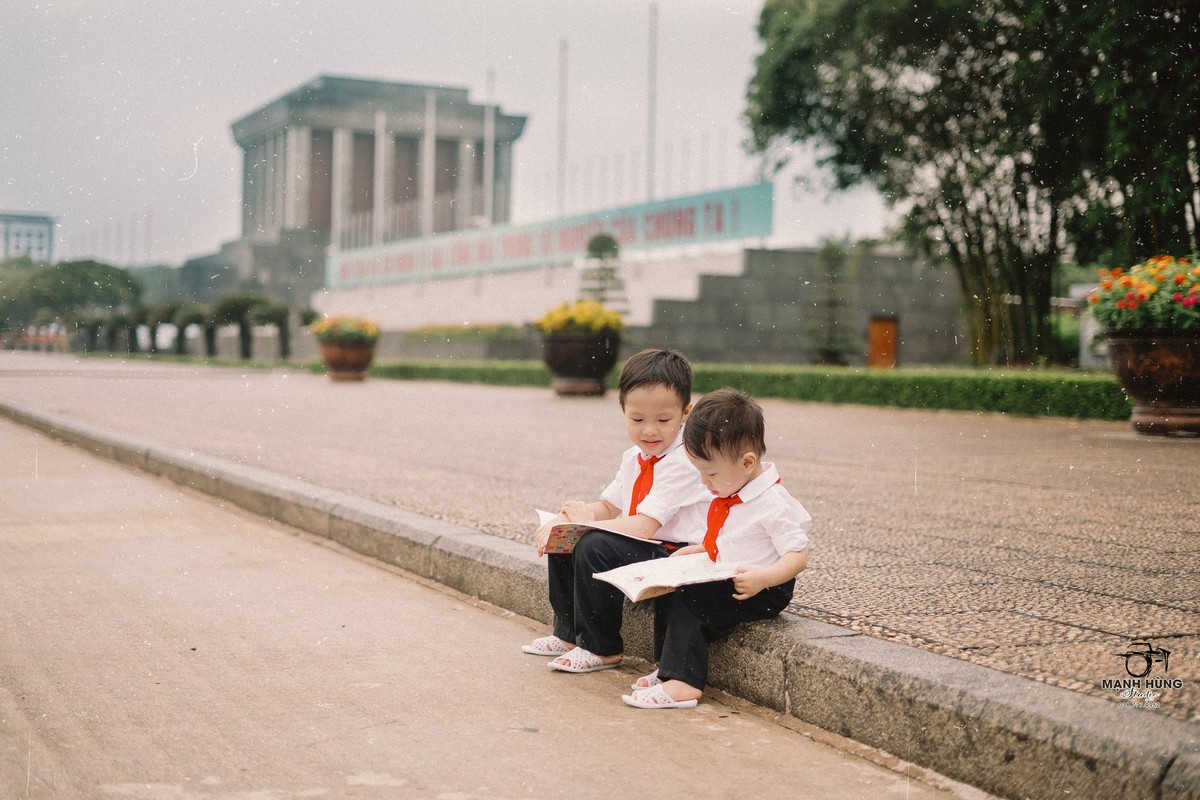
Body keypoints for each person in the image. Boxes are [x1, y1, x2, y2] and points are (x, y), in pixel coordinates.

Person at [522, 348, 713, 673]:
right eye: (637, 420)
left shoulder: (684, 460)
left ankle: (601, 647)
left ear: (686, 412)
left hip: (677, 552)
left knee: (593, 545)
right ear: (623, 410)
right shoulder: (633, 458)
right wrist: (567, 519)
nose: (649, 431)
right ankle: (568, 634)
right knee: (567, 537)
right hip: (650, 543)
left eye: (663, 420)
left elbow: (645, 527)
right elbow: (609, 506)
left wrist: (587, 525)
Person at [622, 387, 811, 709]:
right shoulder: (732, 487)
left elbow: (798, 555)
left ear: (747, 462)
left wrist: (764, 578)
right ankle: (667, 668)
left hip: (761, 589)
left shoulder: (772, 504)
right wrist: (701, 550)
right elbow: (733, 539)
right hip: (729, 573)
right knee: (671, 587)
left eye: (709, 473)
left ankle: (683, 683)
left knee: (691, 598)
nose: (704, 482)